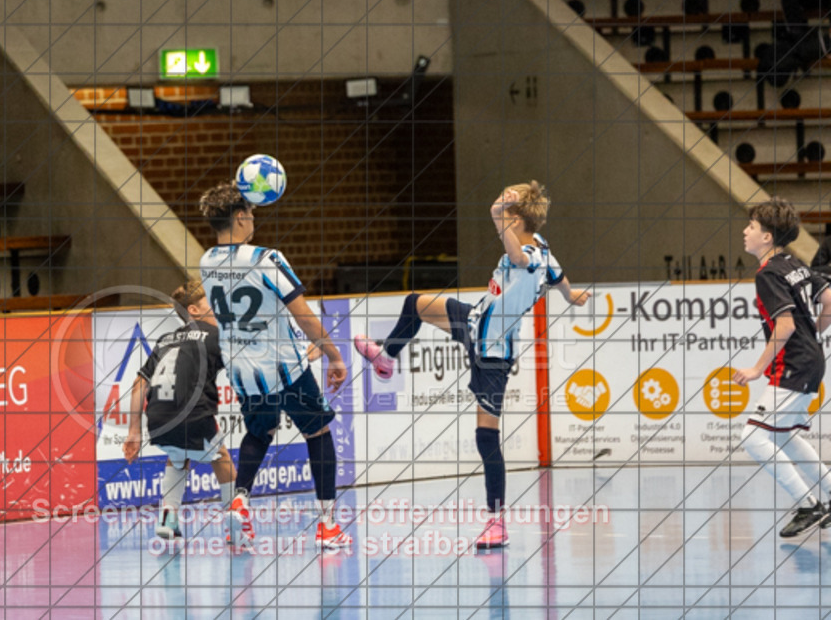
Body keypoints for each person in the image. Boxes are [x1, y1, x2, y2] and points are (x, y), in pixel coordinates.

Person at [353, 181, 591, 550]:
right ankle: (386, 359)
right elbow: (558, 277)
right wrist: (571, 294)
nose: (499, 212)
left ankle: (497, 523)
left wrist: (497, 211)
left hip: (492, 353)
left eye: (506, 211)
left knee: (486, 437)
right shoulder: (545, 248)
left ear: (515, 219)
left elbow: (517, 258)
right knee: (416, 302)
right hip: (475, 320)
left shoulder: (526, 255)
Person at [198, 182, 352, 551]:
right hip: (283, 365)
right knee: (318, 432)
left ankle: (240, 500)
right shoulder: (266, 258)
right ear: (239, 217)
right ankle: (328, 525)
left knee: (259, 432)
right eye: (250, 214)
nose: (253, 220)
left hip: (244, 371)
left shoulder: (206, 262)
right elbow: (304, 316)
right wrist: (332, 353)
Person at [732, 197, 831, 537]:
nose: (745, 232)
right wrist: (814, 333)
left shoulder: (769, 273)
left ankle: (808, 505)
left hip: (795, 365)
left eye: (752, 227)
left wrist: (755, 369)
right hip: (809, 360)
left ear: (767, 238)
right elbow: (829, 298)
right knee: (785, 435)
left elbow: (785, 327)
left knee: (753, 436)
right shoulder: (794, 263)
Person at [122, 281, 236, 541]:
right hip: (193, 414)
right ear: (194, 310)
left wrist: (133, 432)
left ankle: (167, 518)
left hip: (159, 420)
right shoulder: (216, 336)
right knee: (222, 459)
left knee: (178, 453)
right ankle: (234, 524)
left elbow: (139, 383)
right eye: (213, 304)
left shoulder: (166, 340)